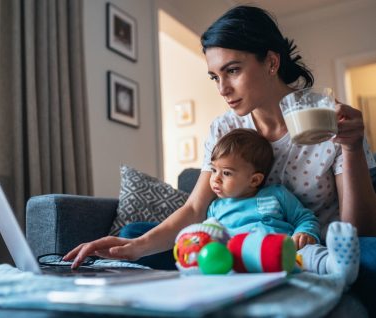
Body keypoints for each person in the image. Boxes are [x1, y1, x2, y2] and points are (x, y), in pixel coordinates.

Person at [63, 5, 376, 271]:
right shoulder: (223, 128)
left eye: (233, 71)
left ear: (271, 62)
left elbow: (357, 232)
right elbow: (196, 209)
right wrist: (133, 246)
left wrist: (351, 148)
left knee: (370, 256)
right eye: (215, 76)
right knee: (134, 234)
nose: (222, 89)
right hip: (237, 246)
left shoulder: (330, 118)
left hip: (309, 252)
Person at [205, 128, 358, 285]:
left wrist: (304, 232)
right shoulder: (215, 208)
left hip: (285, 253)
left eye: (226, 173)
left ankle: (337, 266)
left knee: (309, 254)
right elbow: (208, 235)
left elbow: (304, 217)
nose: (215, 179)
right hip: (243, 259)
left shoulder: (276, 194)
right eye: (213, 170)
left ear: (254, 180)